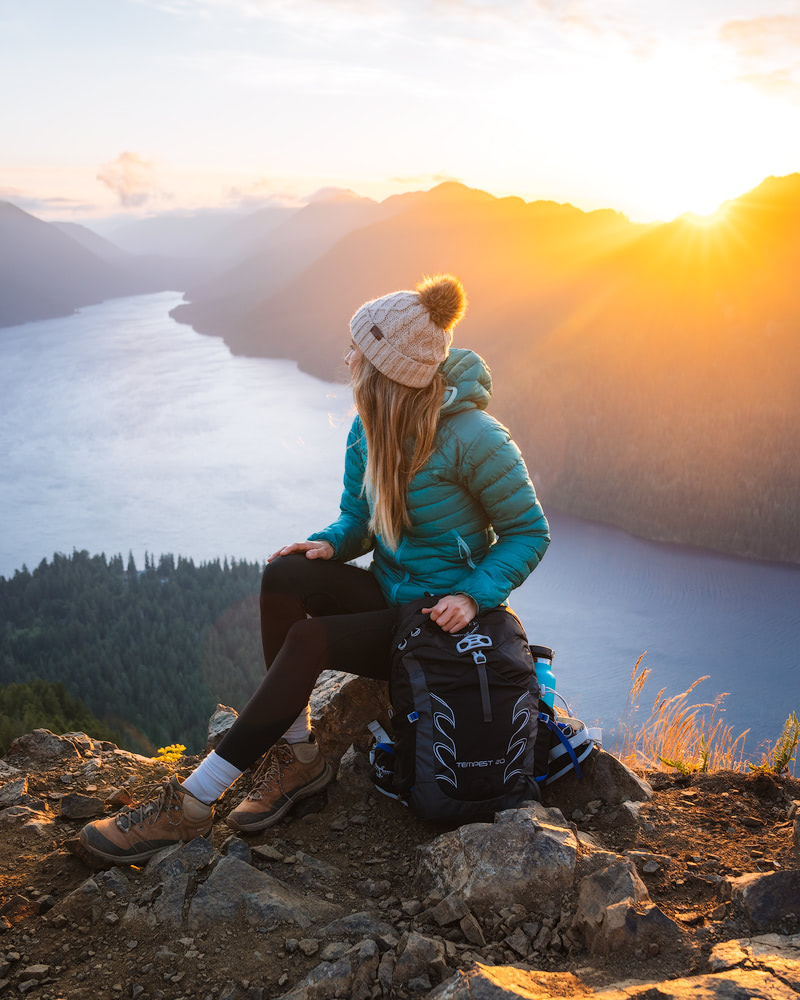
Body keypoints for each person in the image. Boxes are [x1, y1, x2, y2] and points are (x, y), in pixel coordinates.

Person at [78, 274, 550, 866]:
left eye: (361, 351)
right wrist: (329, 543)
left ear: (388, 372)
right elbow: (358, 519)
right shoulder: (367, 429)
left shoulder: (475, 438)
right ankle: (299, 760)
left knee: (309, 638)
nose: (349, 357)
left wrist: (476, 594)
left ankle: (193, 804)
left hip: (438, 623)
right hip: (390, 594)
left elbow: (530, 531)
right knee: (284, 574)